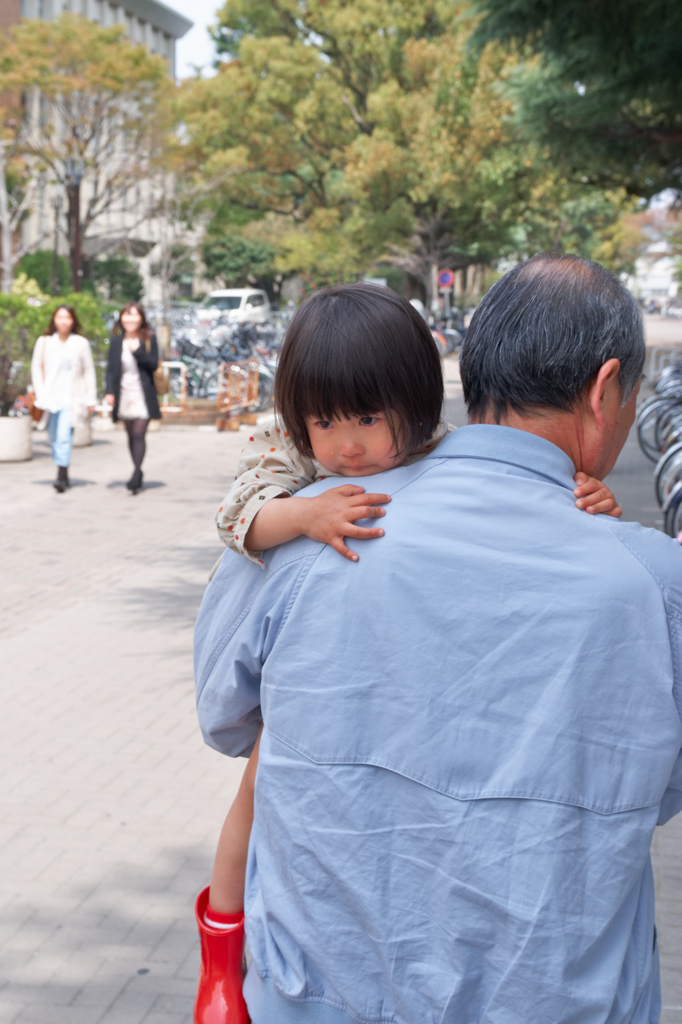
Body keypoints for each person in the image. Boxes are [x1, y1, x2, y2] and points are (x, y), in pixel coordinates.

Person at [194, 278, 631, 1024]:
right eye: (325, 422)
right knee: (250, 805)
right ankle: (218, 950)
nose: (348, 445)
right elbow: (239, 515)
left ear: (419, 408)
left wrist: (587, 493)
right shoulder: (288, 457)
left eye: (368, 418)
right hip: (303, 705)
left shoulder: (440, 455)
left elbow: (219, 713)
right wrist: (304, 514)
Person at [31, 305, 96, 493]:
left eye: (67, 317)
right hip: (49, 398)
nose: (64, 321)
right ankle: (64, 468)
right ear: (54, 320)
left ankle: (61, 474)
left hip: (72, 397)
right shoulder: (43, 342)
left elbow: (89, 370)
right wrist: (40, 391)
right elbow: (35, 367)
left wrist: (90, 398)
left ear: (73, 320)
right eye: (60, 317)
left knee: (63, 436)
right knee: (52, 437)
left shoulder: (80, 343)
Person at [104, 301, 161, 495]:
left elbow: (153, 363)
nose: (130, 319)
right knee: (130, 434)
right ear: (121, 318)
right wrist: (109, 391)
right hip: (124, 393)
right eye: (127, 315)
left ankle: (136, 473)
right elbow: (111, 370)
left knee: (138, 433)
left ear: (141, 318)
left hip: (143, 394)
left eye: (135, 315)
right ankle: (138, 470)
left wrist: (137, 351)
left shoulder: (148, 338)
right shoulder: (116, 341)